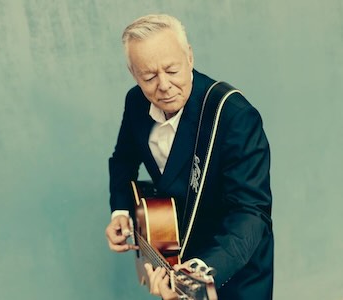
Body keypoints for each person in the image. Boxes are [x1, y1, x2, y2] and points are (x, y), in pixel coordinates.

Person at [105, 14, 273, 300]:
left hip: (231, 263)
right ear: (133, 73)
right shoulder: (135, 102)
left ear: (190, 57)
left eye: (172, 70)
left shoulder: (234, 116)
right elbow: (122, 160)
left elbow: (250, 213)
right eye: (149, 76)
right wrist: (121, 211)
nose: (164, 85)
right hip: (170, 253)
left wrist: (196, 274)